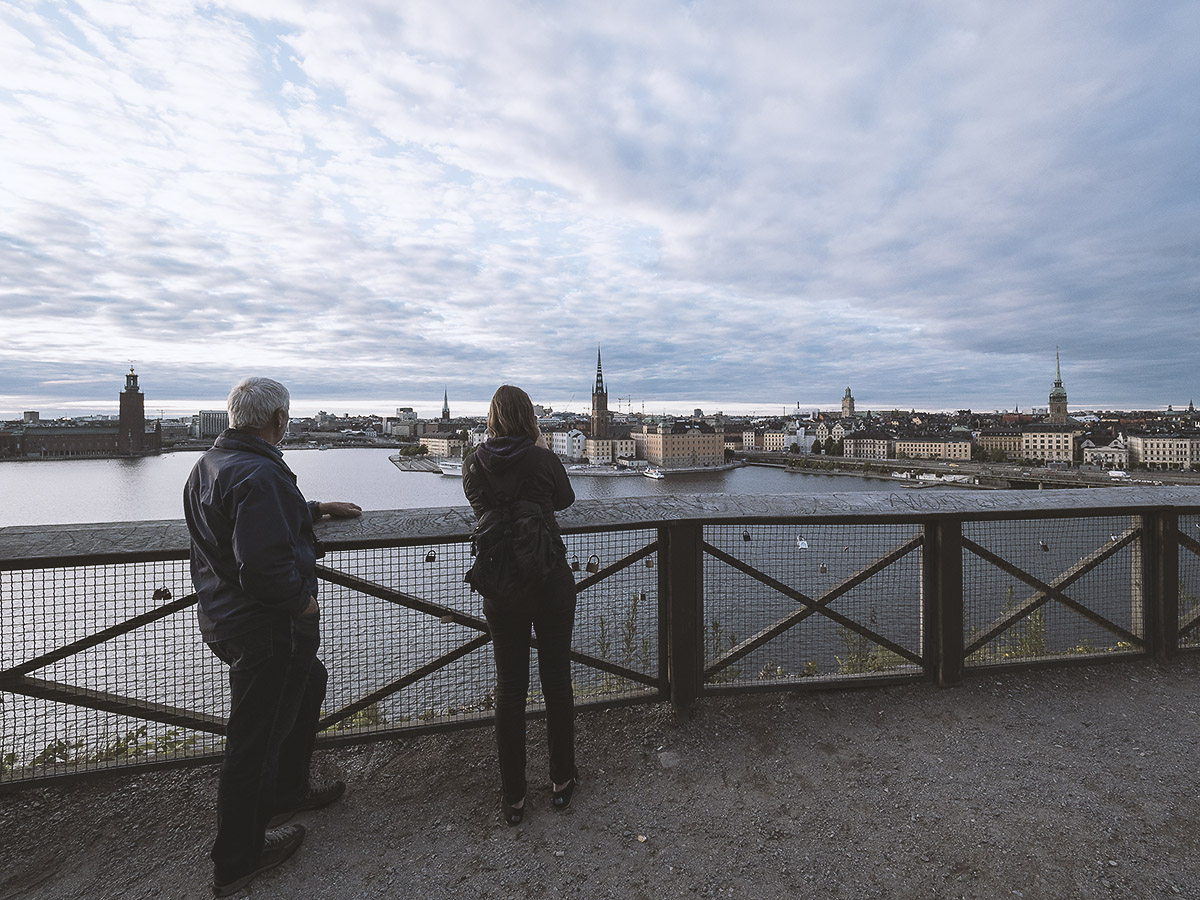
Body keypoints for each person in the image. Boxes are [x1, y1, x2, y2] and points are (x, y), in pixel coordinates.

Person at [183, 376, 362, 896]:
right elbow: (263, 564)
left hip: (226, 618)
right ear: (279, 420)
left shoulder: (211, 465)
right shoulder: (261, 475)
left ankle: (287, 791)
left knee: (309, 683)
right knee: (254, 740)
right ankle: (238, 859)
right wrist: (303, 605)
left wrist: (316, 510)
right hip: (268, 626)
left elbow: (249, 524)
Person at [463, 384, 580, 826]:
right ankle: (562, 782)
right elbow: (565, 500)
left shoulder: (473, 463)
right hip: (549, 580)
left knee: (510, 689)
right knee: (557, 681)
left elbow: (477, 506)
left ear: (492, 417)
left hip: (501, 586)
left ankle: (514, 797)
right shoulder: (542, 458)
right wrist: (542, 450)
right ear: (530, 416)